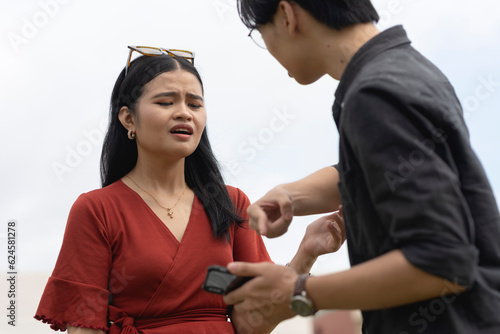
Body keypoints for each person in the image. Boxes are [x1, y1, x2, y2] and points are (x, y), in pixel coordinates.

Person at [223, 1, 500, 333]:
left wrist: (296, 291)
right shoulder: (405, 69)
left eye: (260, 33)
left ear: (287, 15)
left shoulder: (373, 95)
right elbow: (389, 170)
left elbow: (442, 261)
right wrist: (290, 197)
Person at [34, 46, 345, 334]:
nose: (184, 112)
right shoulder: (96, 210)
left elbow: (254, 323)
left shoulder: (231, 203)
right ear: (129, 118)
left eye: (194, 104)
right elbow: (83, 325)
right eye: (165, 102)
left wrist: (308, 251)